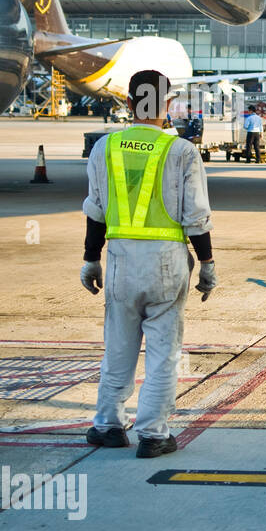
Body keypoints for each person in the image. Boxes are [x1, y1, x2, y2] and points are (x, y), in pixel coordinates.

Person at [80, 69, 218, 458]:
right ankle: (154, 434)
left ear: (128, 103)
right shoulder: (182, 152)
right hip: (166, 262)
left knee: (118, 348)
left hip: (120, 260)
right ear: (167, 105)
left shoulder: (105, 147)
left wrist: (91, 260)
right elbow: (196, 217)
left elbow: (96, 212)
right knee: (163, 352)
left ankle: (107, 425)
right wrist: (207, 263)